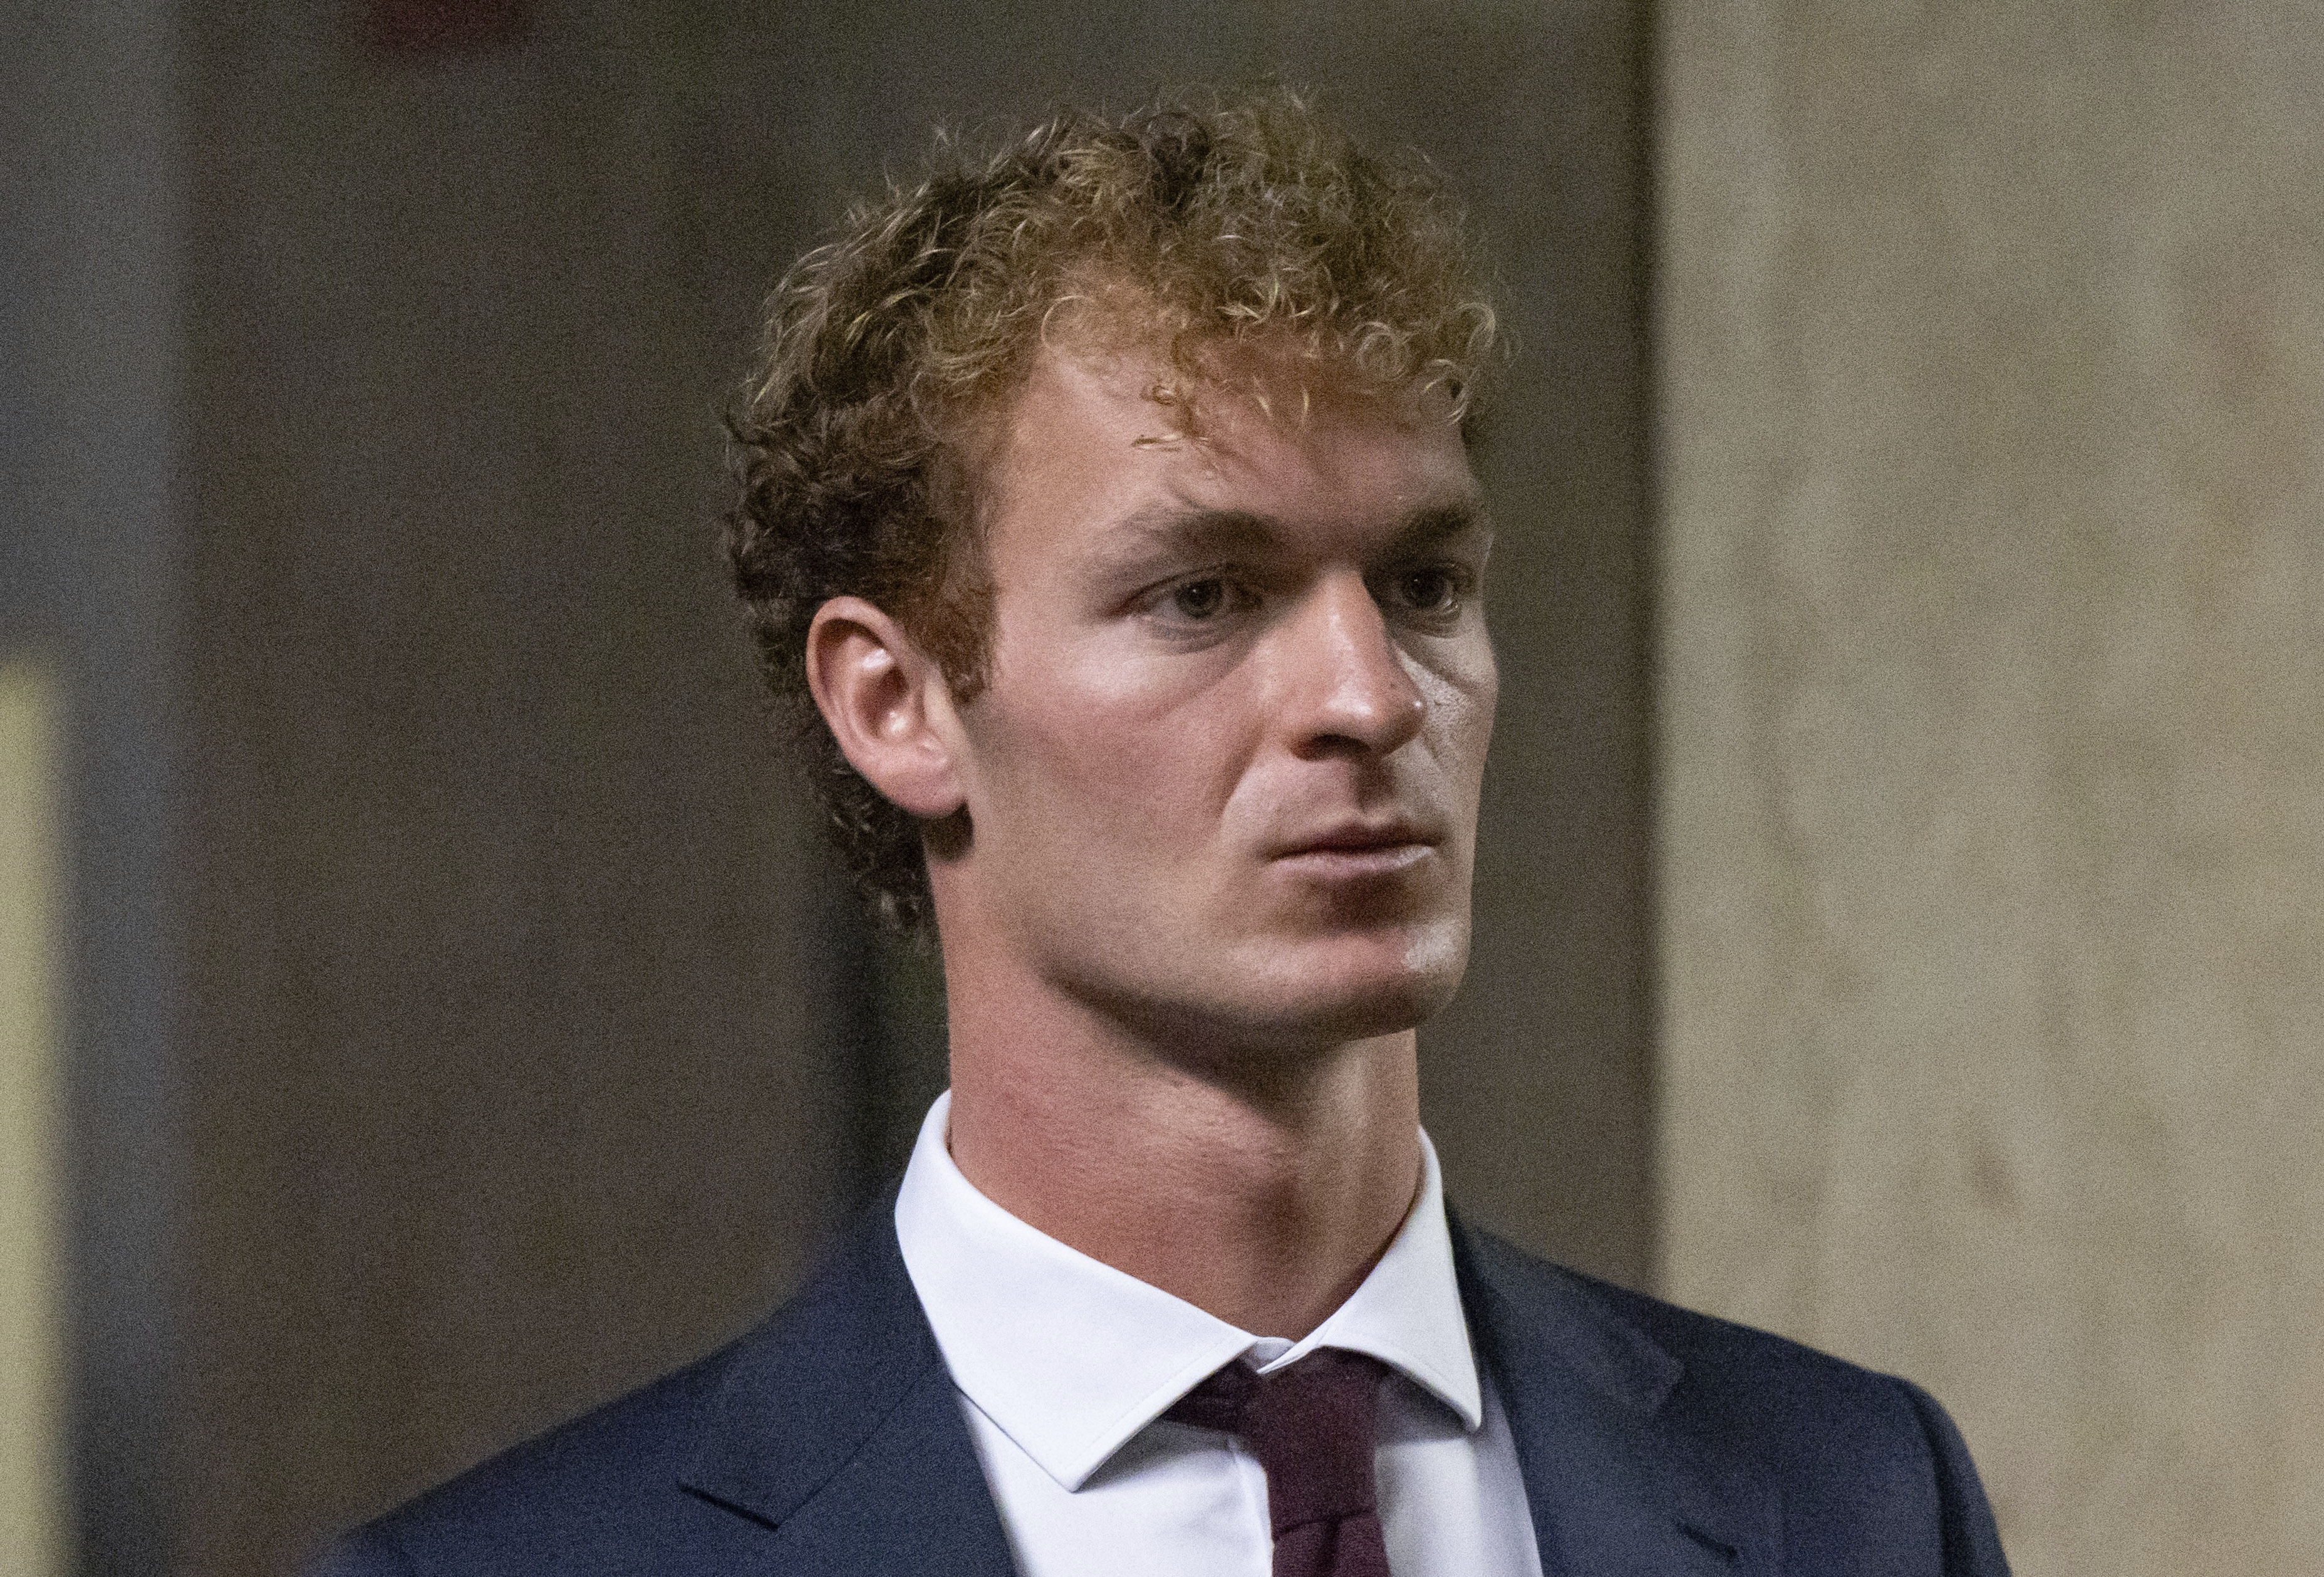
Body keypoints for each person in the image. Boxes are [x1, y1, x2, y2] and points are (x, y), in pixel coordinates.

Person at [315, 90, 2011, 1576]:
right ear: (895, 704)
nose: (1368, 693)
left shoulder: (1851, 1500)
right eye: (1203, 595)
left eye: (1424, 585)